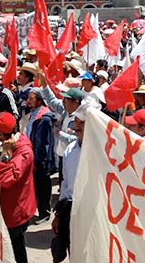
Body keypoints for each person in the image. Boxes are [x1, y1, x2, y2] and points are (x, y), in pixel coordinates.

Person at [0, 112, 36, 263]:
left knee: (15, 249)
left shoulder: (23, 151)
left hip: (16, 211)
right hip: (8, 207)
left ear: (0, 134)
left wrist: (6, 155)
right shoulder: (10, 143)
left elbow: (6, 179)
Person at [51, 104, 87, 263]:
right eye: (76, 121)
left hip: (89, 213)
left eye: (82, 122)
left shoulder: (100, 152)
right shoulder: (70, 149)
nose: (77, 126)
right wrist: (59, 214)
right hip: (69, 210)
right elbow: (65, 184)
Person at [26, 87, 56, 224]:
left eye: (31, 98)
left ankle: (44, 212)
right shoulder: (34, 113)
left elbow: (44, 143)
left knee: (42, 187)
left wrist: (38, 162)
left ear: (39, 100)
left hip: (40, 159)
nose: (28, 101)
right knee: (36, 186)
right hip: (33, 155)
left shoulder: (44, 118)